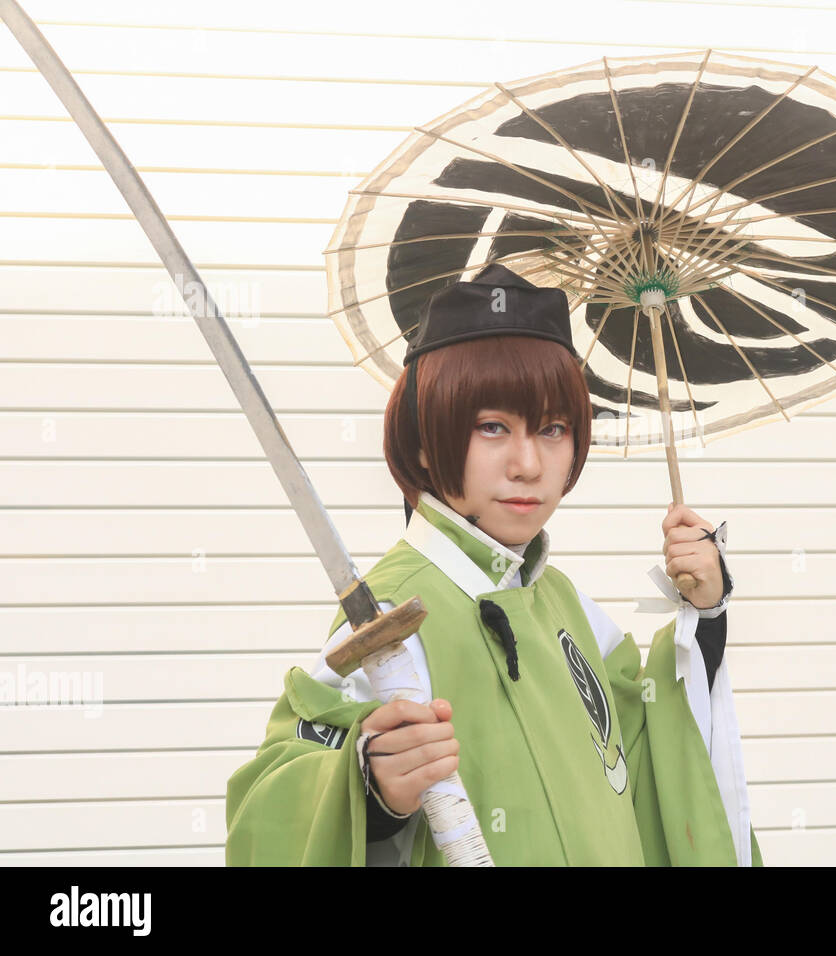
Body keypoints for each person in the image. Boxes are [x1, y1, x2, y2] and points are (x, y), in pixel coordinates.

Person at [225, 264, 761, 866]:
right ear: (425, 440)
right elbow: (277, 803)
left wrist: (703, 613)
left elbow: (652, 751)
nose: (529, 463)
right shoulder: (389, 616)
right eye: (492, 427)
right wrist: (372, 791)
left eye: (553, 428)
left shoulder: (564, 603)